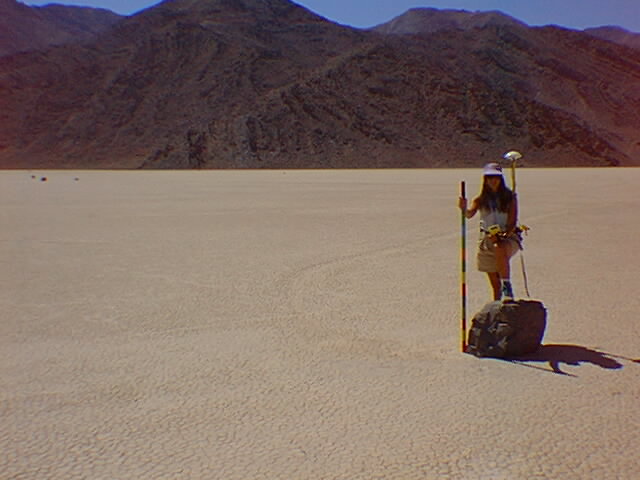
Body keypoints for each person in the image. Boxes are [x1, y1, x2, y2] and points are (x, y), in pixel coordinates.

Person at [458, 162, 521, 300]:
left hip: (507, 238)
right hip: (486, 240)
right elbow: (469, 215)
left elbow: (512, 222)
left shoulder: (510, 198)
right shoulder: (481, 200)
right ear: (485, 180)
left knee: (499, 248)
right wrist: (463, 208)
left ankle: (507, 286)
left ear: (501, 179)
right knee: (493, 281)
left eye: (496, 177)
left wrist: (503, 235)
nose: (493, 180)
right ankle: (498, 306)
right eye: (490, 177)